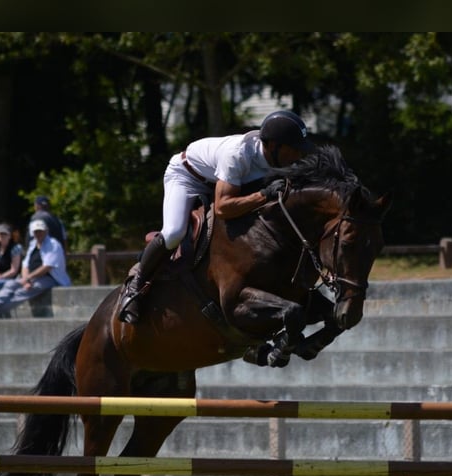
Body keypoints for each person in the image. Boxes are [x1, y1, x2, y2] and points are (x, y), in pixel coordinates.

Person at [117, 109, 315, 324]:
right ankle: (135, 285)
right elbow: (223, 208)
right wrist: (263, 195)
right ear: (274, 146)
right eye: (294, 149)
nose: (298, 156)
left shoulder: (279, 161)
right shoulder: (238, 154)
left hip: (220, 182)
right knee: (174, 232)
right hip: (187, 177)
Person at [0, 219, 71, 318]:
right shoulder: (33, 244)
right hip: (31, 277)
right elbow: (25, 265)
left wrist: (28, 279)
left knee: (21, 293)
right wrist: (26, 279)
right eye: (36, 232)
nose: (38, 234)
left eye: (40, 231)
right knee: (11, 284)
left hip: (50, 278)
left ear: (46, 231)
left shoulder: (53, 245)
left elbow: (47, 267)